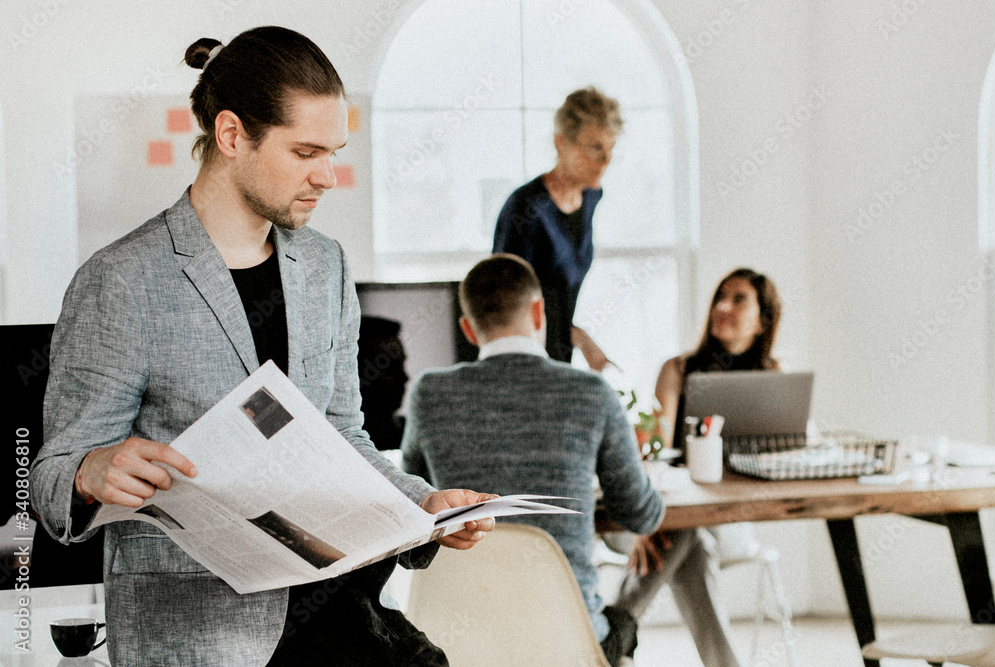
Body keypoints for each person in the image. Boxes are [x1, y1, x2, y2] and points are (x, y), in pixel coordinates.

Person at [30, 26, 494, 665]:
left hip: (336, 613)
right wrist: (90, 469)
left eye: (334, 151)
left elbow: (342, 436)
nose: (328, 176)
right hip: (201, 633)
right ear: (230, 136)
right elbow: (51, 478)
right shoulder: (121, 280)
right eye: (306, 151)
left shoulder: (325, 265)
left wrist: (422, 504)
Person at [401, 253, 665, 665]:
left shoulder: (428, 394)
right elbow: (641, 515)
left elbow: (412, 504)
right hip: (567, 639)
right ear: (540, 310)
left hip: (459, 639)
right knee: (625, 617)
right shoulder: (591, 392)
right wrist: (643, 471)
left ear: (469, 329)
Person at [613, 267, 783, 667]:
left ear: (763, 320)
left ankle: (613, 630)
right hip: (668, 515)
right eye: (720, 296)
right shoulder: (677, 370)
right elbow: (653, 454)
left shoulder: (772, 377)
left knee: (692, 534)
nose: (723, 306)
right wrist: (646, 521)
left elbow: (778, 457)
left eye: (739, 299)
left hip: (732, 521)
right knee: (693, 537)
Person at [493, 86, 621, 370]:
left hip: (559, 358)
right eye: (595, 147)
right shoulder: (526, 207)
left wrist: (581, 339)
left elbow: (558, 297)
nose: (605, 160)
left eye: (611, 148)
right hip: (521, 363)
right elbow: (503, 305)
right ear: (561, 143)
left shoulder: (590, 197)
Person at [357, 316, 408, 451]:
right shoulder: (335, 439)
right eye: (391, 368)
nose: (405, 377)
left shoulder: (412, 434)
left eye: (402, 365)